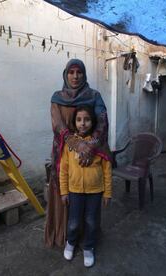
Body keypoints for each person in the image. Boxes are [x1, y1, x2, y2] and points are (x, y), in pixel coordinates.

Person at [45, 59, 111, 248]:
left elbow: (102, 122)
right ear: (65, 74)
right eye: (71, 72)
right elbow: (58, 125)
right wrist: (76, 145)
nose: (75, 76)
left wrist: (89, 147)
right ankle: (65, 236)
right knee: (66, 192)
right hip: (64, 153)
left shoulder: (94, 95)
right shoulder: (57, 97)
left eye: (79, 72)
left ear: (84, 74)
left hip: (93, 151)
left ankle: (88, 238)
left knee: (89, 206)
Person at [59, 105, 112, 267]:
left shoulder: (99, 144)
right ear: (74, 122)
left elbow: (107, 170)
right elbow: (63, 169)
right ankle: (71, 242)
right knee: (74, 221)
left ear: (93, 121)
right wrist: (64, 191)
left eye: (87, 119)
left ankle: (88, 247)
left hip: (95, 192)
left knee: (91, 221)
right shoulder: (71, 144)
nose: (83, 123)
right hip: (74, 191)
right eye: (79, 120)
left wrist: (107, 193)